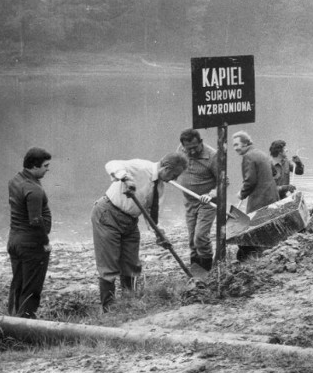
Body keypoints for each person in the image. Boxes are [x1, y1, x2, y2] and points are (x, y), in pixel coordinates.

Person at [91, 153, 187, 312]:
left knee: (131, 264)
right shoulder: (141, 167)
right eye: (174, 175)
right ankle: (109, 309)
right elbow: (111, 163)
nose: (174, 179)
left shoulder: (160, 188)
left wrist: (159, 234)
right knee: (110, 265)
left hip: (130, 221)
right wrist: (125, 178)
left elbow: (151, 215)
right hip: (108, 215)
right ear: (166, 167)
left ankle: (129, 303)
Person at [7, 147, 52, 319]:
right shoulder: (34, 190)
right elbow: (35, 221)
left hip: (15, 241)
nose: (48, 169)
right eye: (45, 166)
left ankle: (11, 323)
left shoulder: (15, 181)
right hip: (31, 244)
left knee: (18, 284)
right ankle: (26, 326)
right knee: (31, 288)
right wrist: (45, 242)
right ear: (34, 166)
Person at [232, 131, 280, 261]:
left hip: (260, 198)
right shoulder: (262, 153)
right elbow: (275, 173)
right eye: (233, 146)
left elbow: (250, 181)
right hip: (272, 195)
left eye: (237, 145)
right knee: (268, 224)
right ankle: (269, 250)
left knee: (253, 227)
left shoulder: (248, 157)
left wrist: (241, 193)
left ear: (246, 143)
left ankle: (257, 255)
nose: (235, 148)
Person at [177, 129, 218, 273]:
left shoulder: (213, 156)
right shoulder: (181, 151)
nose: (192, 152)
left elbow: (224, 182)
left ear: (201, 142)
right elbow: (175, 165)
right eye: (189, 149)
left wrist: (212, 194)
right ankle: (195, 274)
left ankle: (207, 271)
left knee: (200, 237)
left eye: (195, 147)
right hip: (189, 202)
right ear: (183, 146)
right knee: (191, 240)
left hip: (206, 203)